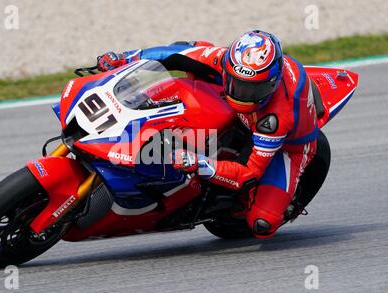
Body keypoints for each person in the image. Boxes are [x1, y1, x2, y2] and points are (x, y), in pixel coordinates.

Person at [96, 30, 318, 238]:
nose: (242, 95)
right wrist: (125, 57)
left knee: (263, 223)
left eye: (252, 90)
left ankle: (288, 204)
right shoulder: (226, 60)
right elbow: (175, 54)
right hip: (241, 109)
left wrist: (199, 162)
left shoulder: (277, 118)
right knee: (187, 48)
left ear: (271, 84)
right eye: (237, 84)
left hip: (289, 146)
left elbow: (248, 174)